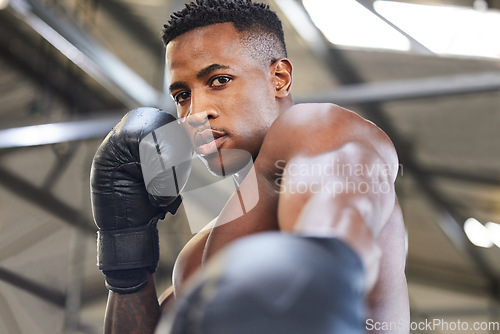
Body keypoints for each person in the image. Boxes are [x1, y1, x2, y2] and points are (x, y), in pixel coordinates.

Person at [91, 1, 410, 333]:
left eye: (219, 80)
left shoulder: (316, 128)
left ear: (279, 78)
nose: (195, 114)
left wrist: (325, 261)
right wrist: (126, 257)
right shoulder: (198, 256)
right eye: (183, 95)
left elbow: (340, 188)